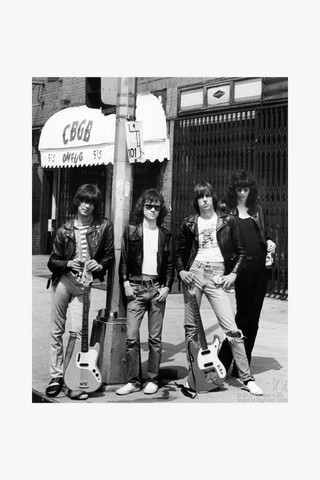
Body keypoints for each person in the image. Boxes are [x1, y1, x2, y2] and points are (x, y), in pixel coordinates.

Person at [175, 181, 263, 395]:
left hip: (216, 276)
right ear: (196, 201)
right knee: (191, 328)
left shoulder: (228, 221)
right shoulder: (189, 223)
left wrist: (232, 274)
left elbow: (241, 252)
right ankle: (194, 373)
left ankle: (246, 377)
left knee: (232, 328)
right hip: (194, 274)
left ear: (213, 198)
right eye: (200, 197)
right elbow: (178, 253)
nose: (204, 200)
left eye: (207, 196)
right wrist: (181, 271)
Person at [45, 184, 114, 399]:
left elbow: (109, 256)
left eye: (91, 203)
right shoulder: (64, 230)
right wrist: (68, 264)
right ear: (78, 202)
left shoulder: (103, 226)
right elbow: (52, 262)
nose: (86, 206)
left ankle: (71, 377)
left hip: (84, 285)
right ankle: (56, 376)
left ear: (95, 206)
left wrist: (100, 265)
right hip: (64, 282)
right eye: (84, 201)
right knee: (57, 331)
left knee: (78, 333)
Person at [116, 189, 175, 395]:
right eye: (149, 206)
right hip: (136, 289)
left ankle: (153, 379)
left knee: (155, 339)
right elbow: (124, 259)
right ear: (142, 207)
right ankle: (133, 381)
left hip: (157, 289)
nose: (152, 210)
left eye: (156, 207)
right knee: (132, 338)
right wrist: (125, 282)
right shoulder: (131, 230)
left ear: (161, 210)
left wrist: (167, 286)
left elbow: (169, 265)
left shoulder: (165, 234)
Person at [218, 170, 276, 376]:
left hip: (261, 266)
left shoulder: (258, 209)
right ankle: (223, 363)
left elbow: (262, 234)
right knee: (242, 317)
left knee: (254, 319)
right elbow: (221, 238)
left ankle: (243, 365)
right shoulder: (225, 209)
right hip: (241, 267)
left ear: (251, 189)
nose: (243, 192)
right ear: (233, 189)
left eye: (246, 189)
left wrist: (269, 241)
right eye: (239, 188)